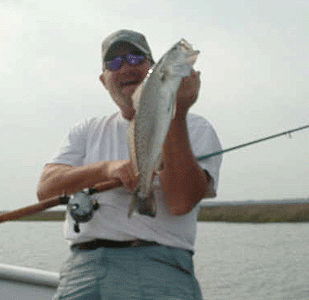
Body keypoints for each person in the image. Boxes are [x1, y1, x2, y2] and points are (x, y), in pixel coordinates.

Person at [37, 29, 222, 300]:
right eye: (114, 62)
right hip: (82, 270)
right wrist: (105, 169)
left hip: (160, 268)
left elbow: (182, 202)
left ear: (153, 68)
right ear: (104, 80)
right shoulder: (86, 130)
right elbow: (46, 189)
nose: (125, 67)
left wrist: (177, 113)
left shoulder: (196, 127)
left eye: (136, 58)